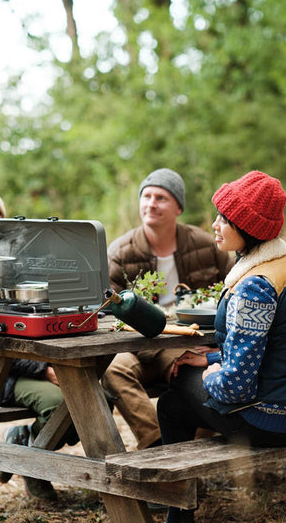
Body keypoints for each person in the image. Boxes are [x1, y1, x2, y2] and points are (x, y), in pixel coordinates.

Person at [156, 170, 286, 523]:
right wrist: (213, 356)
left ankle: (177, 512)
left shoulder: (254, 287)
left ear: (248, 228)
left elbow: (237, 386)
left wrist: (211, 372)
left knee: (174, 392)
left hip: (272, 420)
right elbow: (273, 347)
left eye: (225, 218)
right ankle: (177, 510)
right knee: (176, 401)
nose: (215, 224)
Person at [0, 183, 78, 501]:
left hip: (39, 359)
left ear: (0, 212)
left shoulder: (26, 255)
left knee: (101, 400)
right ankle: (34, 469)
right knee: (63, 405)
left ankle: (24, 439)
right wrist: (44, 370)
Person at [102, 168, 234, 450]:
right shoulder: (119, 252)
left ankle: (200, 441)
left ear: (178, 207)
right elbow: (105, 310)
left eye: (161, 197)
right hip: (135, 344)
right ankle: (157, 445)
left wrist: (216, 344)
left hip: (183, 340)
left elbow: (232, 291)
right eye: (146, 196)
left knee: (187, 370)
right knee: (113, 370)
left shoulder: (206, 245)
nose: (151, 203)